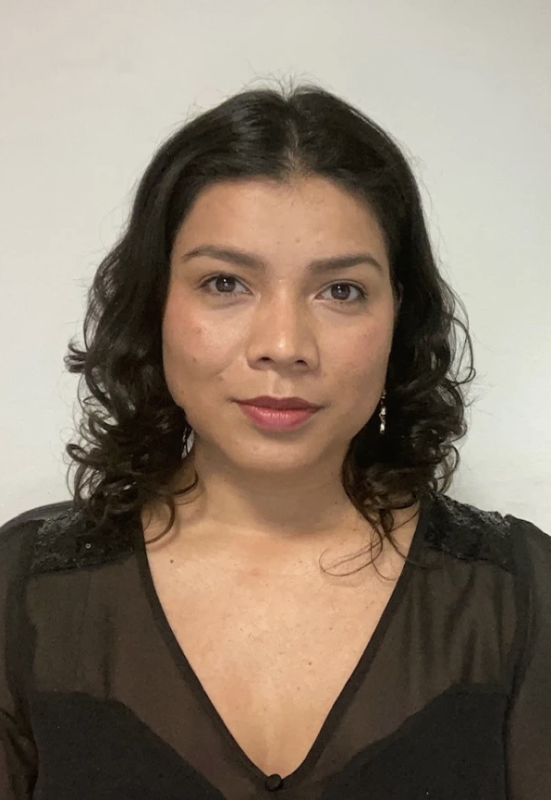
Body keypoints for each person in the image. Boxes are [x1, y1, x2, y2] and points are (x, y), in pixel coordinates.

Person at [1, 80, 549, 800]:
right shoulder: (23, 591)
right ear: (156, 302)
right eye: (225, 282)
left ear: (398, 316)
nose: (284, 345)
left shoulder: (519, 595)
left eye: (341, 290)